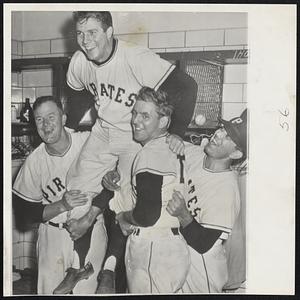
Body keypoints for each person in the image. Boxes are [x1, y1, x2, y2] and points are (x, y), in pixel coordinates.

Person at [63, 10, 197, 292]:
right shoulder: (79, 63)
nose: (85, 41)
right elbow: (74, 91)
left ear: (109, 33)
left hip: (133, 133)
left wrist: (176, 132)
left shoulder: (135, 58)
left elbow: (187, 85)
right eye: (80, 33)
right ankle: (79, 265)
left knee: (124, 197)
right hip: (102, 129)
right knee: (75, 186)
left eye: (92, 33)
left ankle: (109, 271)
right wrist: (78, 127)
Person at [12, 96, 107, 295]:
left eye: (51, 117)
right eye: (39, 119)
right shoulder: (34, 161)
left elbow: (111, 186)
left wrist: (88, 220)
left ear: (63, 118)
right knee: (50, 292)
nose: (46, 125)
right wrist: (61, 205)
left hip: (89, 229)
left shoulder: (87, 142)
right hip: (52, 236)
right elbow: (25, 215)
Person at [115, 87, 190, 293]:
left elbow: (146, 215)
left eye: (145, 116)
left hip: (153, 248)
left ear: (163, 122)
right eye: (135, 113)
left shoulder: (150, 152)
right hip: (172, 246)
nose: (135, 120)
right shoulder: (171, 147)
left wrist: (123, 216)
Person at [166, 109, 247, 293]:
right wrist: (172, 137)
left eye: (228, 136)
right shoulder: (194, 153)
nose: (218, 134)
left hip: (201, 274)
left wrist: (183, 214)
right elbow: (160, 140)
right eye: (222, 128)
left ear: (235, 154)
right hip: (176, 261)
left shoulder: (227, 189)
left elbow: (203, 243)